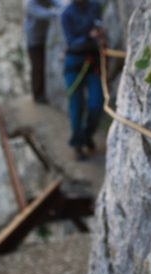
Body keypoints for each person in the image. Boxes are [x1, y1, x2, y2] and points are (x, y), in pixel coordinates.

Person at [61, 0, 105, 160]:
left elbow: (98, 25)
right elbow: (71, 41)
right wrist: (88, 37)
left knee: (97, 103)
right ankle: (78, 144)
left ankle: (87, 134)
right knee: (76, 106)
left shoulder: (94, 6)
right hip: (74, 62)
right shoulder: (66, 14)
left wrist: (100, 35)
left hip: (93, 61)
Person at [24, 0, 63, 104]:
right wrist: (58, 12)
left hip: (46, 38)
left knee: (45, 67)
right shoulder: (31, 4)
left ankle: (45, 93)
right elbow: (43, 15)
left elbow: (60, 4)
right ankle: (38, 95)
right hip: (34, 40)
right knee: (37, 67)